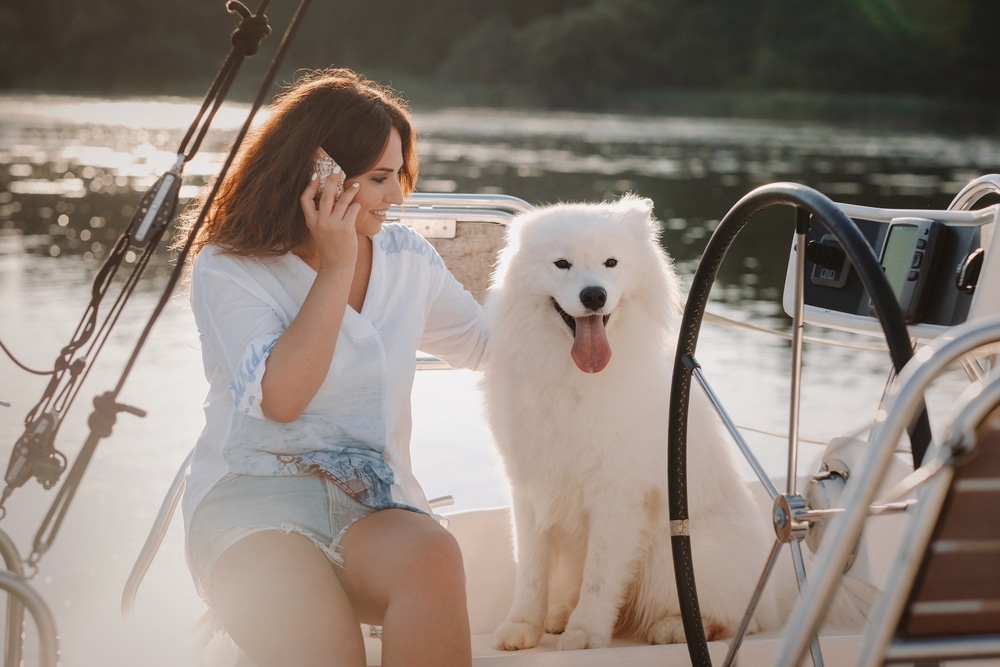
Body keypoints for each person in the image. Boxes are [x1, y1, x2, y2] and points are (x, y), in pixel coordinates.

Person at [175, 67, 486, 666]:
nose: (398, 196)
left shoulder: (406, 258)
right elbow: (282, 400)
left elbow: (483, 344)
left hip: (372, 503)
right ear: (317, 175)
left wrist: (589, 304)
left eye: (398, 174)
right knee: (327, 648)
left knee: (433, 556)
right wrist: (337, 264)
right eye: (378, 178)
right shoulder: (230, 267)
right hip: (252, 504)